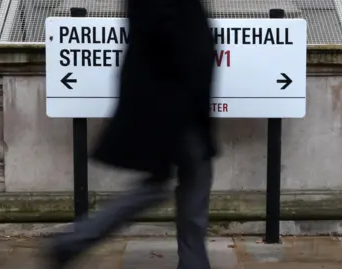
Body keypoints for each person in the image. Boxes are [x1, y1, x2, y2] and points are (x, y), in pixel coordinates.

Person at [43, 0, 217, 268]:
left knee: (169, 185)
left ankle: (75, 239)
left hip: (175, 105)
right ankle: (73, 240)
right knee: (176, 185)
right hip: (175, 107)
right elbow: (173, 41)